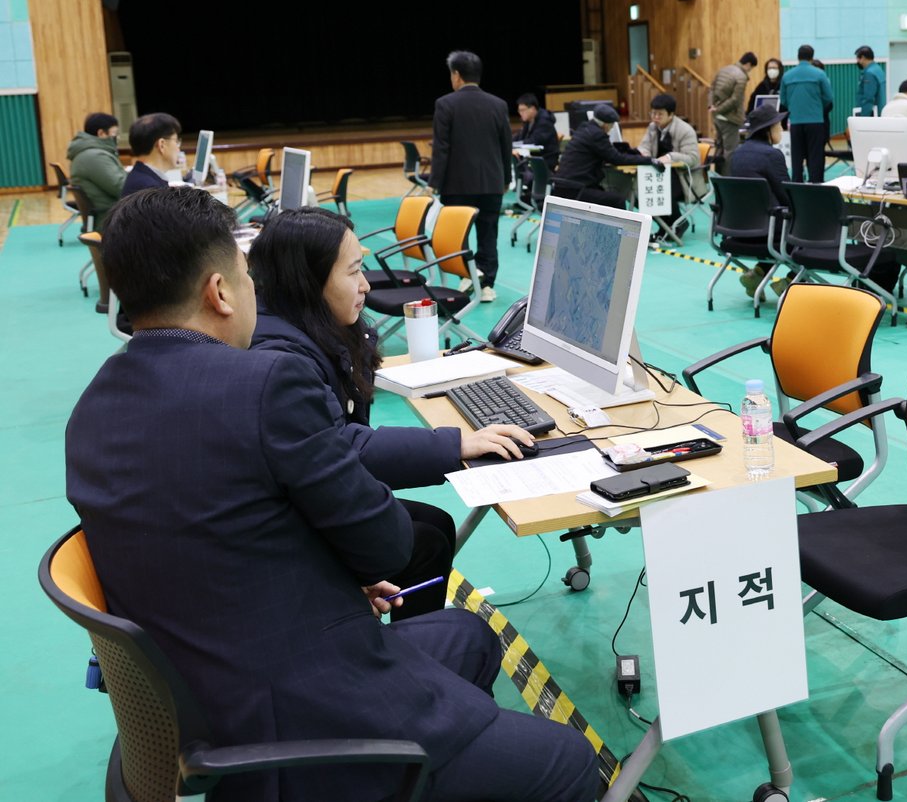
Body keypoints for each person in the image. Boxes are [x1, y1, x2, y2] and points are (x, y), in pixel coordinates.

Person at [66, 186, 596, 802]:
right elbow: (386, 546)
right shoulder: (265, 382)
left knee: (469, 637)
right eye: (246, 277)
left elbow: (201, 527)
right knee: (571, 763)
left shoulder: (92, 408)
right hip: (292, 705)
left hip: (197, 689)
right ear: (219, 292)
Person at [248, 207, 534, 619]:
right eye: (353, 272)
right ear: (307, 280)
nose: (365, 285)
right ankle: (403, 646)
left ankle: (414, 639)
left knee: (436, 525)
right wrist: (456, 445)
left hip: (297, 501)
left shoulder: (303, 325)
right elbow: (344, 447)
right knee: (424, 543)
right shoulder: (281, 357)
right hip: (284, 521)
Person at [431, 50, 512, 304]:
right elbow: (506, 146)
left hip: (457, 185)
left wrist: (434, 183)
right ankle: (486, 285)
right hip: (491, 183)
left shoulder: (445, 104)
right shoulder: (498, 104)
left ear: (456, 75)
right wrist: (506, 178)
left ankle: (468, 277)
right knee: (489, 234)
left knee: (458, 235)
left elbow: (441, 148)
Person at [727, 104, 790, 297]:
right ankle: (791, 282)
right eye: (778, 125)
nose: (782, 129)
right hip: (767, 232)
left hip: (737, 230)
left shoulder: (737, 154)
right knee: (808, 227)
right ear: (768, 129)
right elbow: (787, 195)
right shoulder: (772, 155)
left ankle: (758, 274)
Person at [66, 112, 123, 311]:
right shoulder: (94, 156)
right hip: (110, 219)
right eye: (114, 134)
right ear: (101, 133)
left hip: (107, 213)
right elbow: (121, 187)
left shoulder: (90, 153)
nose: (116, 138)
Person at [551, 102, 656, 209]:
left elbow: (606, 154)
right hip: (575, 190)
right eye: (612, 126)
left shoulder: (584, 129)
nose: (611, 129)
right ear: (606, 125)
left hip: (564, 187)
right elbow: (617, 159)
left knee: (604, 193)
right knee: (617, 200)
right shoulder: (597, 135)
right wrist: (648, 160)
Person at [638, 92, 705, 234]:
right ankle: (667, 226)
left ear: (671, 114)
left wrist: (670, 157)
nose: (655, 118)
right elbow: (643, 147)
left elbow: (693, 158)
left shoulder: (685, 130)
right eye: (653, 113)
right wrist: (645, 155)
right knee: (638, 192)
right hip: (659, 174)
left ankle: (677, 223)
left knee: (659, 190)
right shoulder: (652, 127)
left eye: (660, 114)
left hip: (683, 177)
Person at [779, 44, 834, 183]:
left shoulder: (787, 76)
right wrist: (816, 107)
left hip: (796, 122)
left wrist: (795, 107)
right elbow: (828, 97)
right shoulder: (819, 74)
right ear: (812, 57)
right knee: (815, 156)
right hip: (815, 121)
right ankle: (816, 184)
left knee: (797, 156)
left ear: (798, 56)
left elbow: (783, 100)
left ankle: (797, 184)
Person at [708, 51, 758, 171]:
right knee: (730, 151)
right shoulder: (741, 77)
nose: (749, 71)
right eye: (751, 68)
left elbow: (711, 89)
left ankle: (718, 176)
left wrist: (712, 107)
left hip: (717, 118)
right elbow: (735, 100)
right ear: (748, 64)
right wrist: (719, 110)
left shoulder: (723, 70)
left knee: (719, 149)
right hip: (730, 118)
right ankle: (728, 178)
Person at [122, 112, 182, 198]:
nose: (178, 148)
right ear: (162, 145)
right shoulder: (151, 190)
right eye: (176, 141)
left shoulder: (141, 176)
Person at [514, 93, 560, 173]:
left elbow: (534, 141)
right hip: (534, 158)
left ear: (532, 108)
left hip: (545, 160)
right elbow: (519, 136)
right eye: (519, 110)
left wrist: (515, 145)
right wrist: (509, 142)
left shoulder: (544, 122)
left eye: (523, 110)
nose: (520, 113)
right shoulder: (529, 121)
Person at [853, 46, 886, 117]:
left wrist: (863, 117)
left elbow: (868, 98)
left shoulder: (869, 73)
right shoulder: (878, 69)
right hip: (879, 111)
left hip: (871, 114)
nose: (857, 61)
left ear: (863, 58)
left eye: (857, 58)